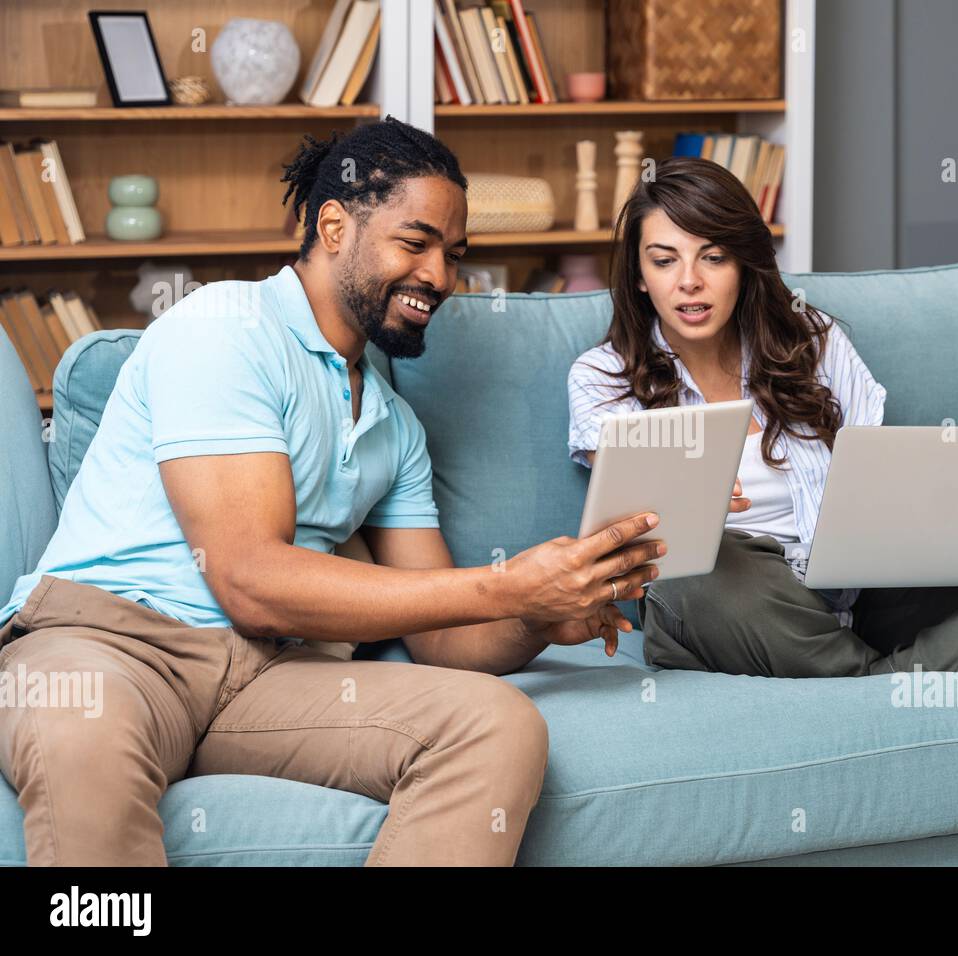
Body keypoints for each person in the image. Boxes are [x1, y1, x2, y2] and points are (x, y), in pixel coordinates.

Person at [0, 116, 663, 867]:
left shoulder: (393, 426)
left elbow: (448, 638)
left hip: (265, 673)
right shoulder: (225, 327)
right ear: (334, 224)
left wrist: (537, 612)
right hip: (112, 644)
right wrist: (506, 582)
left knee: (495, 724)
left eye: (454, 255)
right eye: (415, 244)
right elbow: (250, 576)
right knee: (82, 732)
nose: (440, 278)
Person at [567, 156, 958, 690]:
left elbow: (880, 484)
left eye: (713, 257)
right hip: (732, 599)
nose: (688, 280)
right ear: (640, 276)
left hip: (854, 592)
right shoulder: (603, 376)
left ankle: (872, 685)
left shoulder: (813, 342)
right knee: (693, 570)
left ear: (744, 265)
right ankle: (893, 685)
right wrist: (692, 506)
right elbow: (630, 528)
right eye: (664, 260)